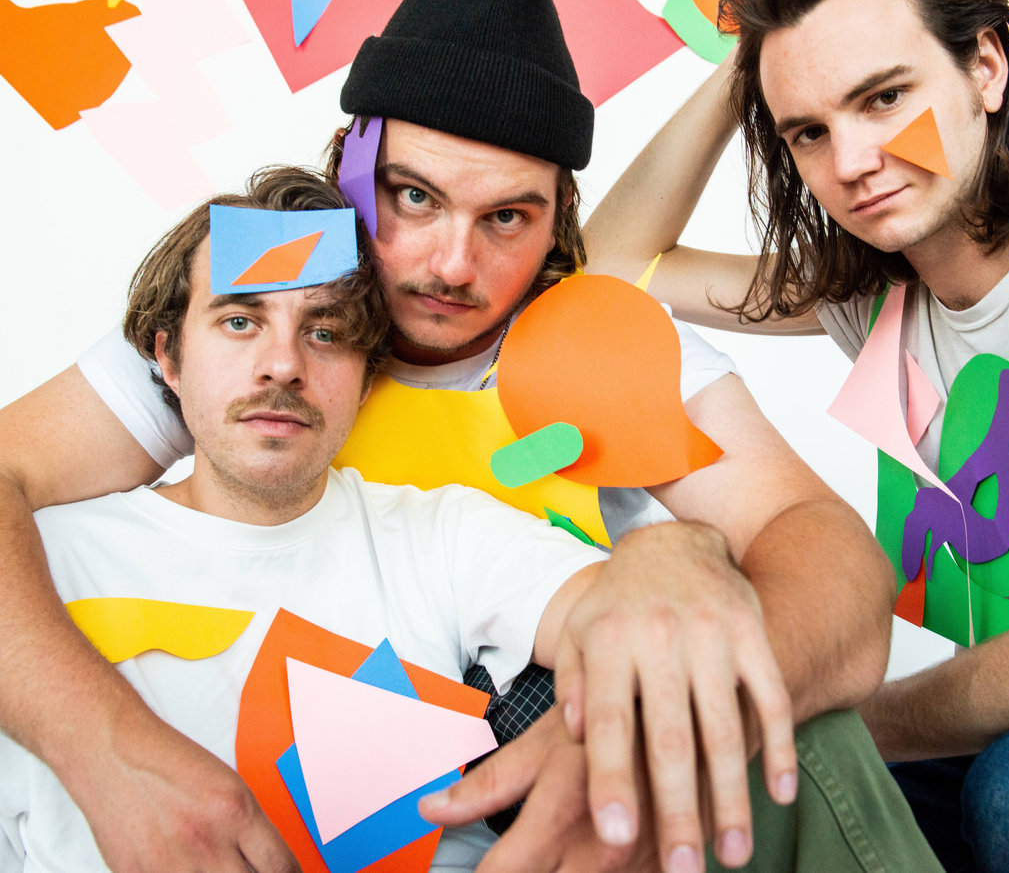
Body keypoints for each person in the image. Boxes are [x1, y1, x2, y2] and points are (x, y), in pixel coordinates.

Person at [0, 0, 939, 871]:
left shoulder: (597, 343)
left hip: (554, 742)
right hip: (314, 764)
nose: (453, 266)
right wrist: (104, 748)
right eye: (414, 198)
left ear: (559, 219)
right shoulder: (272, 299)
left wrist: (676, 714)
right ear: (351, 170)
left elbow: (819, 548)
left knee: (804, 735)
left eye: (507, 218)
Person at [583, 0, 1009, 869]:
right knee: (759, 796)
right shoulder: (876, 296)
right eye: (808, 132)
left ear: (985, 68)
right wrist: (756, 63)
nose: (853, 161)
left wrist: (854, 722)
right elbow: (613, 272)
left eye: (883, 97)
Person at [0, 164, 612, 871]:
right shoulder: (36, 563)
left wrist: (671, 558)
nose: (283, 365)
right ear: (168, 357)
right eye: (240, 322)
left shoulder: (445, 539)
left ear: (367, 373)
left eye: (325, 332)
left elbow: (634, 611)